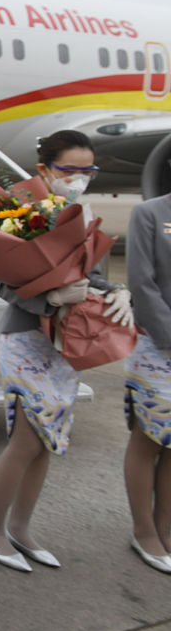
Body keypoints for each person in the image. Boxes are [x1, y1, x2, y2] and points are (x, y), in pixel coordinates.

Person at [0, 130, 133, 572]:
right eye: (71, 171)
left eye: (89, 171)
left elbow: (92, 273)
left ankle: (23, 528)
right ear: (45, 170)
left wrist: (116, 290)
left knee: (47, 442)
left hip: (66, 345)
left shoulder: (82, 216)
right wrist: (50, 300)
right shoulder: (22, 214)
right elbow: (6, 284)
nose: (80, 179)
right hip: (28, 339)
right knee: (26, 441)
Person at [122, 177, 171, 574]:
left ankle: (166, 527)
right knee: (150, 438)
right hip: (158, 344)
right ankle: (144, 530)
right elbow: (141, 281)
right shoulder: (150, 213)